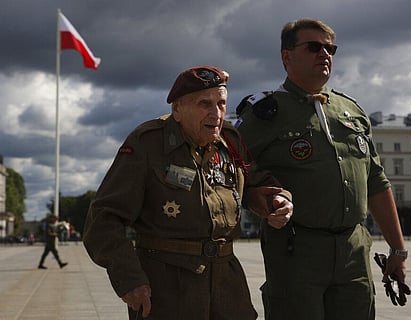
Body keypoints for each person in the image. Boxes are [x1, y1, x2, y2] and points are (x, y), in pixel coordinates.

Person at [82, 65, 292, 320]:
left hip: (227, 287)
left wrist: (276, 200)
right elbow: (104, 218)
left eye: (221, 103)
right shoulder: (148, 143)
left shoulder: (230, 141)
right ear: (177, 109)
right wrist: (129, 279)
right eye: (205, 103)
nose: (216, 113)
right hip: (169, 289)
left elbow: (253, 182)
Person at [236, 18, 408, 320]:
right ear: (286, 57)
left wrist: (398, 249)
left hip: (353, 250)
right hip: (296, 251)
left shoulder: (350, 110)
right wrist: (258, 200)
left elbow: (376, 181)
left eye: (331, 48)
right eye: (314, 47)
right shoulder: (264, 114)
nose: (325, 54)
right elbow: (235, 171)